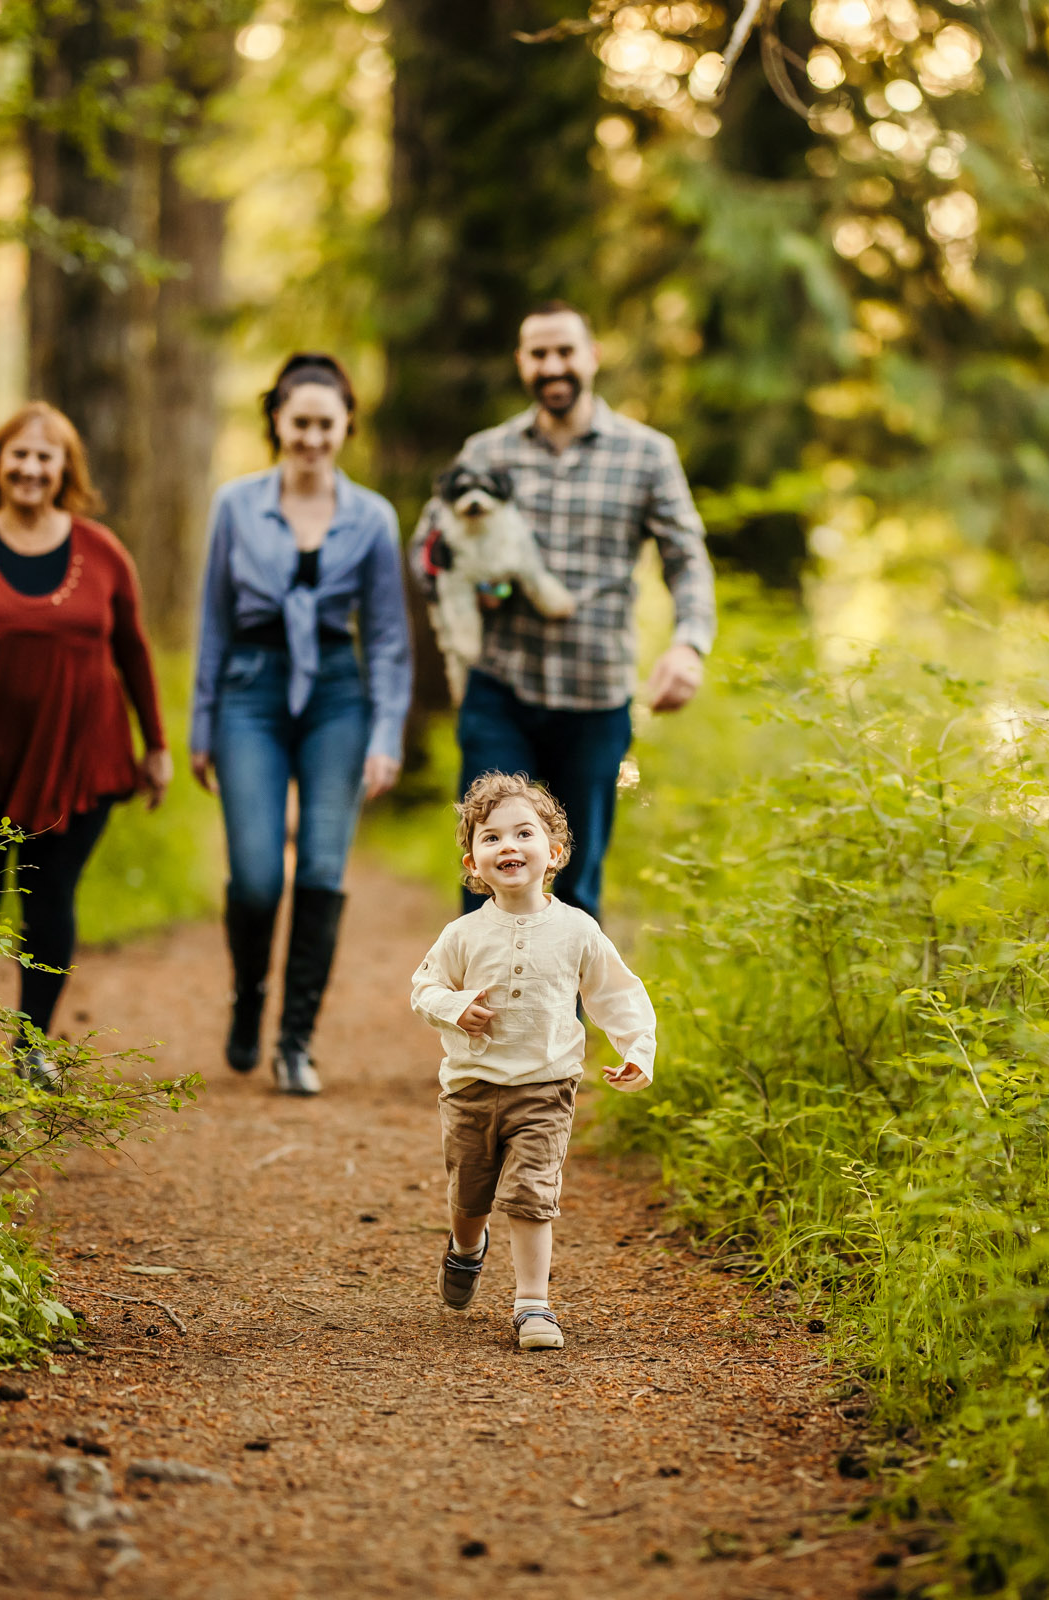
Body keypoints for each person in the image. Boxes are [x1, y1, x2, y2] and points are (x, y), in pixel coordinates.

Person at [0, 401, 170, 1084]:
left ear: (64, 470)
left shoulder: (102, 552)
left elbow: (134, 651)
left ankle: (30, 1047)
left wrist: (156, 745)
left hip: (78, 758)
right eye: (19, 453)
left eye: (46, 456)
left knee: (49, 898)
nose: (31, 467)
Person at [411, 301, 716, 919]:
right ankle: (475, 1018)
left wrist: (689, 642)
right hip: (499, 691)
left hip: (596, 700)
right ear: (522, 363)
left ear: (592, 357)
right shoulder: (487, 451)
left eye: (565, 351)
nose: (553, 366)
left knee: (575, 886)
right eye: (539, 354)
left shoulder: (647, 453)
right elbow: (426, 550)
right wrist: (470, 583)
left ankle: (563, 1021)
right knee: (489, 879)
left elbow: (686, 557)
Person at [192, 353, 412, 1096]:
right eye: (300, 423)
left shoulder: (373, 517)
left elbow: (385, 636)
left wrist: (386, 733)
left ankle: (296, 1041)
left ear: (346, 425)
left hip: (338, 695)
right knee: (256, 877)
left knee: (321, 867)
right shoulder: (235, 505)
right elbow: (213, 622)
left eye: (327, 424)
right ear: (277, 424)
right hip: (249, 690)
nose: (313, 437)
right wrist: (201, 724)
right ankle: (250, 991)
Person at [408, 773, 656, 1352]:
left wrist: (637, 1047)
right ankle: (467, 1249)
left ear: (555, 853)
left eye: (524, 833)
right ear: (474, 863)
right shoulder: (462, 934)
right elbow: (425, 987)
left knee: (530, 1193)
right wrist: (456, 1006)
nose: (509, 846)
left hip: (546, 1086)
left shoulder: (576, 930)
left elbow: (615, 993)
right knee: (470, 1197)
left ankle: (532, 1307)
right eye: (492, 838)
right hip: (471, 1087)